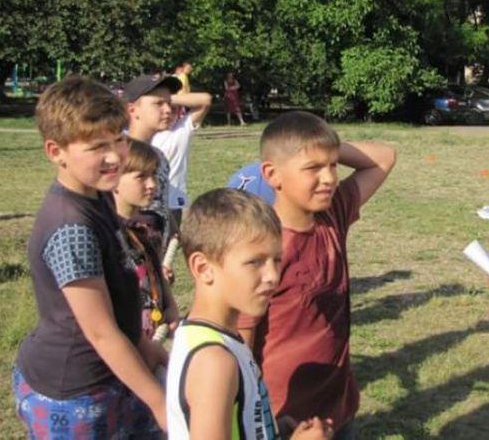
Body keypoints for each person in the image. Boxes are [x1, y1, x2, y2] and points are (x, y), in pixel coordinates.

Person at [13, 76, 167, 438]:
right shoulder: (71, 228)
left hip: (116, 374)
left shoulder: (97, 195)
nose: (114, 156)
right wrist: (159, 403)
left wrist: (148, 347)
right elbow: (100, 332)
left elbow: (118, 294)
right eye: (97, 146)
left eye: (118, 139)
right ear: (56, 152)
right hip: (76, 394)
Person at [237, 111, 397, 439]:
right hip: (284, 419)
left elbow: (384, 157)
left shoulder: (332, 214)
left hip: (336, 407)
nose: (329, 178)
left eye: (333, 164)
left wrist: (321, 142)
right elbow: (240, 347)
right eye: (313, 168)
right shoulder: (260, 250)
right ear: (272, 174)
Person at [167, 188, 334, 440]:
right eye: (255, 262)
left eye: (277, 260)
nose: (272, 276)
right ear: (203, 268)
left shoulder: (216, 338)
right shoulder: (214, 363)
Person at [113, 137, 179, 340]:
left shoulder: (144, 230)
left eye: (153, 176)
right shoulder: (109, 235)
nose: (152, 185)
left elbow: (155, 271)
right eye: (141, 177)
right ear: (113, 179)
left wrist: (169, 305)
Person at [123, 73, 182, 258]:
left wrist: (173, 230)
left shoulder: (160, 157)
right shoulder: (119, 156)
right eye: (158, 104)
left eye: (168, 103)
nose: (168, 110)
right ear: (133, 110)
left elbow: (160, 203)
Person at [151, 91, 213, 227]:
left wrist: (166, 98)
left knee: (169, 247)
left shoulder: (182, 129)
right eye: (160, 107)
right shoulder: (144, 132)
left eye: (173, 109)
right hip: (147, 203)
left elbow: (205, 100)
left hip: (172, 202)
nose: (167, 112)